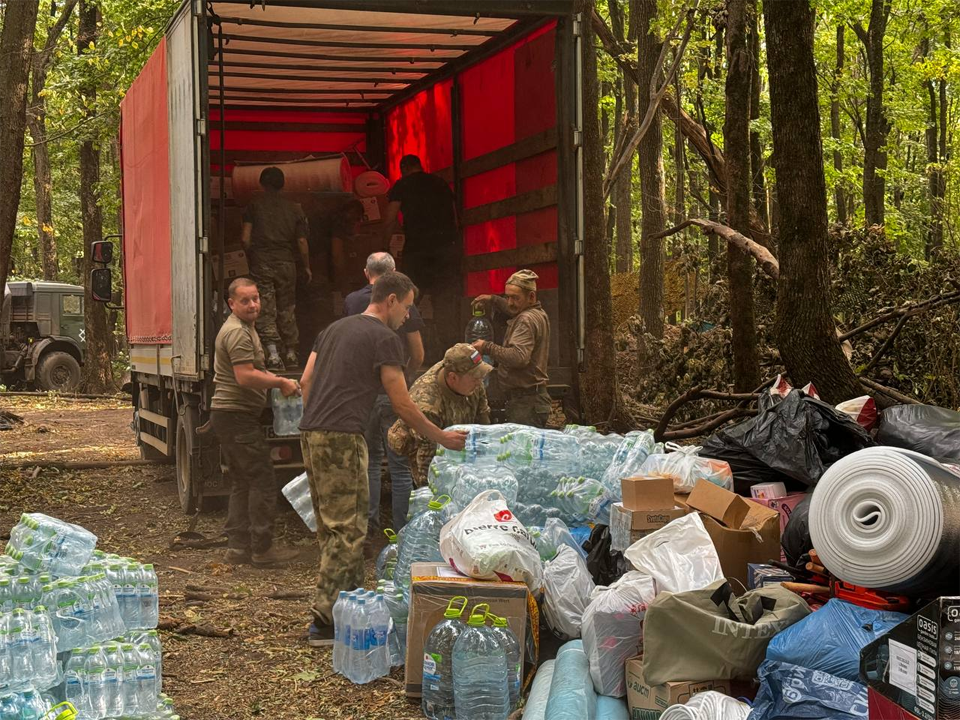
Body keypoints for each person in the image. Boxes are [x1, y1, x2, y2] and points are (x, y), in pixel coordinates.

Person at [298, 271, 466, 646]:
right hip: (342, 436)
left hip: (311, 432)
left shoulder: (333, 329)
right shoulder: (384, 339)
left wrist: (316, 420)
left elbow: (306, 381)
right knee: (349, 528)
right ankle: (324, 622)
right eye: (407, 308)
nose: (408, 316)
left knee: (331, 525)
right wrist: (441, 437)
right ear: (390, 300)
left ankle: (350, 606)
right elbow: (402, 402)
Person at [210, 277, 302, 567]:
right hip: (234, 415)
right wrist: (280, 383)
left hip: (233, 415)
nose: (253, 305)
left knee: (242, 481)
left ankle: (237, 549)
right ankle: (262, 550)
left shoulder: (246, 328)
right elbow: (245, 376)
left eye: (256, 298)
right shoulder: (237, 333)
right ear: (231, 304)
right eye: (245, 300)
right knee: (262, 479)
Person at [344, 252, 424, 532]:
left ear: (367, 273)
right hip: (393, 395)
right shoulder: (403, 300)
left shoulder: (353, 301)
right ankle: (402, 531)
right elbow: (418, 352)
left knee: (370, 462)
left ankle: (370, 526)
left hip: (364, 395)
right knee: (400, 465)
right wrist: (405, 376)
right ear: (394, 273)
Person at [383, 154, 459, 357]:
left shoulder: (402, 185)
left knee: (409, 299)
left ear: (404, 168)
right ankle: (448, 351)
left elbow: (390, 219)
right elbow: (455, 215)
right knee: (444, 300)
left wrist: (382, 246)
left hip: (418, 249)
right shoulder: (440, 183)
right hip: (446, 249)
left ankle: (402, 350)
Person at [388, 343, 492, 487]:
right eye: (475, 378)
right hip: (414, 447)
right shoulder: (427, 403)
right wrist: (431, 495)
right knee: (412, 490)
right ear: (453, 377)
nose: (479, 381)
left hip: (449, 438)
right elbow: (425, 461)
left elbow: (483, 419)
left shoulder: (470, 378)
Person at [241, 166, 311, 370]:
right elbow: (302, 242)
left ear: (261, 184)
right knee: (287, 306)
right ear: (283, 184)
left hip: (262, 261)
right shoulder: (295, 209)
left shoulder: (253, 207)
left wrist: (252, 255)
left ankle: (272, 353)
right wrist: (306, 267)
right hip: (287, 263)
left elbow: (245, 238)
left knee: (265, 306)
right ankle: (291, 352)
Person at [471, 269, 552, 427]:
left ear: (531, 297)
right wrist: (493, 299)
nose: (509, 302)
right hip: (531, 400)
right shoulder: (537, 313)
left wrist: (486, 347)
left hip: (526, 404)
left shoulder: (525, 320)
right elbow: (512, 308)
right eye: (507, 296)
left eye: (515, 298)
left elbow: (518, 357)